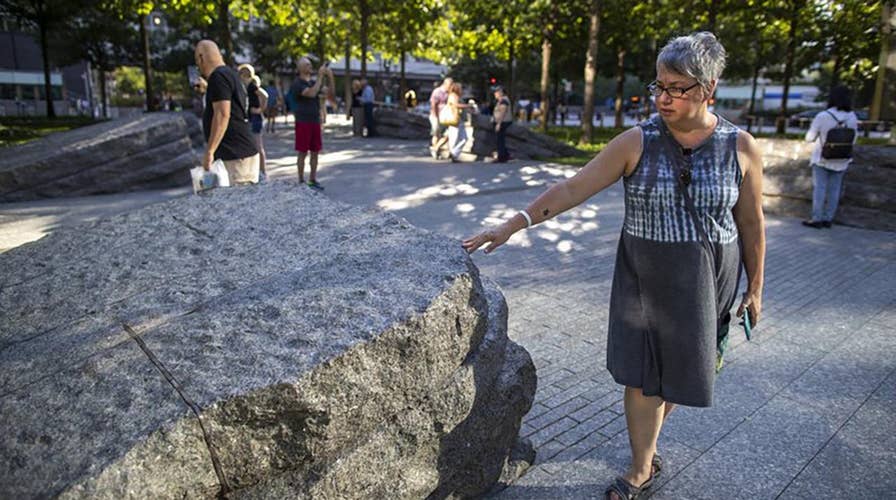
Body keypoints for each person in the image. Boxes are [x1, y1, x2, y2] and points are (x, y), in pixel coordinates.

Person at [462, 32, 765, 500]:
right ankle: (641, 467)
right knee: (645, 377)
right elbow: (571, 189)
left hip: (709, 281)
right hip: (646, 279)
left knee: (683, 375)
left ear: (709, 88)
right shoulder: (635, 142)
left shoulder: (740, 147)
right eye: (659, 86)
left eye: (677, 88)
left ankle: (648, 445)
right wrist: (514, 224)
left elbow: (750, 221)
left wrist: (755, 288)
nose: (663, 97)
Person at [194, 40, 259, 184]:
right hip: (242, 151)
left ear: (201, 57)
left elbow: (223, 114)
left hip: (234, 155)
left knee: (238, 203)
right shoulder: (229, 74)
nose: (198, 66)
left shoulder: (218, 77)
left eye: (197, 62)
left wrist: (209, 151)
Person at [802, 85, 859, 229]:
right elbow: (854, 138)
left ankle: (816, 219)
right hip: (842, 158)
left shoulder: (823, 116)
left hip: (822, 157)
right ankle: (828, 218)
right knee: (835, 189)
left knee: (820, 188)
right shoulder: (852, 117)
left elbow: (809, 137)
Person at [288, 57, 333, 190]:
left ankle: (312, 179)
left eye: (311, 64)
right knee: (302, 151)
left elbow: (328, 93)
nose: (310, 67)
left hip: (314, 120)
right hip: (303, 121)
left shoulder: (314, 82)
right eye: (307, 65)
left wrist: (329, 77)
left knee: (315, 151)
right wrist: (320, 76)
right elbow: (312, 94)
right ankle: (301, 180)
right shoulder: (297, 83)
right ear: (300, 68)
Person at [238, 65, 269, 181]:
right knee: (254, 146)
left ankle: (262, 172)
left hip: (255, 117)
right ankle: (258, 171)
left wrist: (260, 109)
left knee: (258, 146)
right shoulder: (247, 87)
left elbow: (265, 95)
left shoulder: (251, 86)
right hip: (252, 117)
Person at [445, 82, 470, 163]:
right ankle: (454, 154)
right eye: (461, 88)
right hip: (455, 119)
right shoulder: (453, 96)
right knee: (456, 137)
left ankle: (454, 153)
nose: (462, 90)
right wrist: (467, 106)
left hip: (458, 119)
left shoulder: (456, 96)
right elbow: (455, 105)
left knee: (463, 138)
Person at [429, 77, 452, 158]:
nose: (451, 87)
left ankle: (435, 148)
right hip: (436, 115)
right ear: (445, 84)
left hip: (446, 117)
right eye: (450, 85)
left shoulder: (449, 93)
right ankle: (436, 152)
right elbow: (433, 104)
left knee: (447, 135)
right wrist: (436, 116)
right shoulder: (437, 92)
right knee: (436, 134)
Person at [492, 86, 513, 163]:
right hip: (501, 122)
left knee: (500, 140)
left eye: (496, 92)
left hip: (503, 122)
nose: (495, 94)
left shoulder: (504, 101)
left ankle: (501, 157)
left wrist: (499, 123)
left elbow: (503, 112)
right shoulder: (501, 100)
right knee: (500, 139)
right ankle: (506, 155)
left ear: (500, 93)